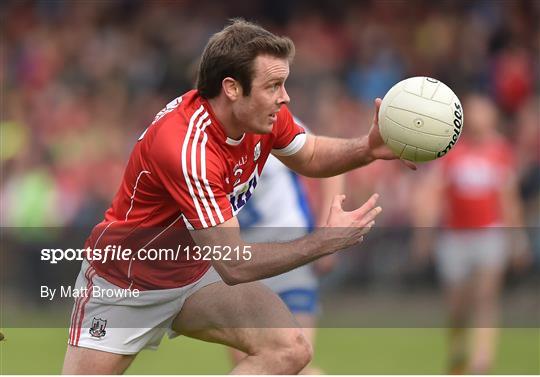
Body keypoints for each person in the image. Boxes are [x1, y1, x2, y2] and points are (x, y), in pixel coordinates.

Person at [62, 19, 411, 374]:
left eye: (283, 84)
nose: (284, 96)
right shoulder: (188, 149)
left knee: (289, 349)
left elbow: (311, 154)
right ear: (231, 88)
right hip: (127, 282)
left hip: (195, 274)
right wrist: (325, 240)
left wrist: (367, 147)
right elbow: (234, 264)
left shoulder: (262, 116)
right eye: (273, 85)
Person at [411, 94, 530, 374]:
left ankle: (482, 359)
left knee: (486, 296)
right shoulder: (451, 151)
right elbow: (432, 194)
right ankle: (458, 348)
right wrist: (424, 235)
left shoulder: (501, 151)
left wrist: (518, 239)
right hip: (455, 237)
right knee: (457, 305)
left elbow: (508, 199)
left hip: (490, 234)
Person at [230, 150, 344, 374]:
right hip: (240, 264)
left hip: (290, 255)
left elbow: (331, 169)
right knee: (248, 362)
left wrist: (327, 230)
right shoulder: (202, 142)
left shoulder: (272, 128)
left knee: (294, 360)